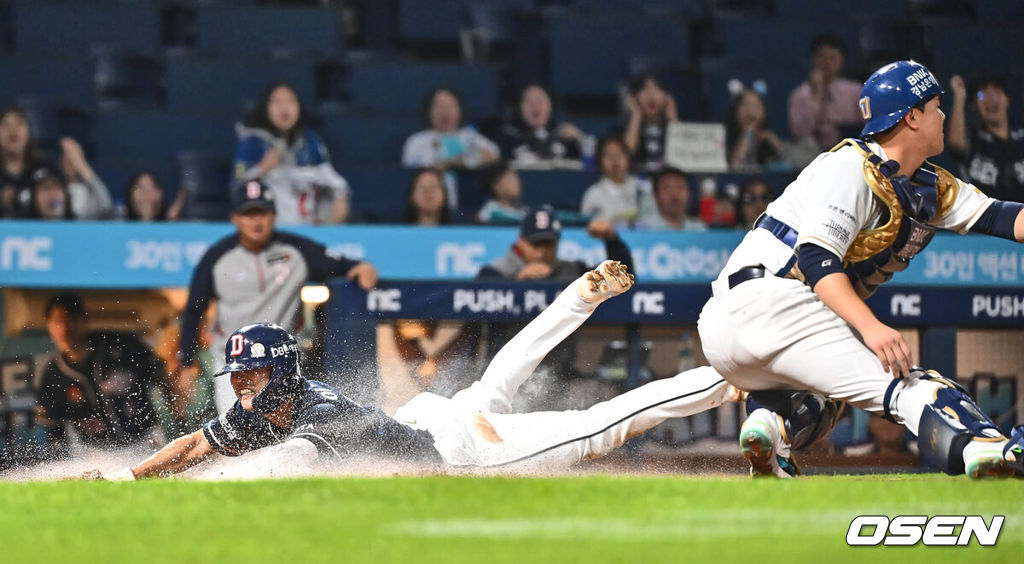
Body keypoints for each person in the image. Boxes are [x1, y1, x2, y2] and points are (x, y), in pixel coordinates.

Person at [97, 262, 743, 480]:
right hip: (430, 423)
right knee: (501, 380)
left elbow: (276, 466)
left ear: (279, 377)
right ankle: (578, 296)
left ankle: (732, 371)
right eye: (240, 380)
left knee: (601, 425)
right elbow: (194, 443)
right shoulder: (285, 397)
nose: (242, 388)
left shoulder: (312, 416)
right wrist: (134, 476)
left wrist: (191, 487)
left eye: (250, 378)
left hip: (458, 451)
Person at [698, 61, 1024, 479]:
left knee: (826, 398)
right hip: (773, 302)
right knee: (907, 386)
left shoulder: (927, 185)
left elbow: (1001, 217)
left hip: (747, 332)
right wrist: (871, 327)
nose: (944, 116)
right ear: (911, 116)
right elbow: (817, 259)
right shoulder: (851, 166)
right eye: (937, 107)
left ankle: (770, 425)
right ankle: (984, 448)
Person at [179, 179, 378, 413]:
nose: (256, 220)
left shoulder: (295, 250)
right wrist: (186, 362)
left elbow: (341, 263)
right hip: (234, 362)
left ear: (273, 215)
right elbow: (194, 310)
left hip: (283, 362)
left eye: (262, 212)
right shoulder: (217, 256)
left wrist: (360, 266)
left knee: (286, 436)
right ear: (235, 218)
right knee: (241, 433)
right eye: (248, 213)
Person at [35, 294, 185, 459]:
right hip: (97, 453)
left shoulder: (120, 344)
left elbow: (162, 376)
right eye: (57, 322)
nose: (64, 329)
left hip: (146, 440)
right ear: (48, 326)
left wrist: (180, 420)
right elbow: (53, 427)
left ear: (83, 320)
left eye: (70, 320)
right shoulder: (53, 375)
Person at [234, 81, 350, 225]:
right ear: (265, 107)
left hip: (308, 227)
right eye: (277, 102)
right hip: (269, 228)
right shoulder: (252, 143)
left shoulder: (310, 142)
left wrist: (340, 197)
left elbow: (330, 178)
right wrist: (261, 169)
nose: (285, 108)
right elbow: (237, 185)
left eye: (291, 101)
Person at [402, 87, 500, 210]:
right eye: (440, 106)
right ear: (429, 111)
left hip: (469, 202)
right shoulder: (416, 141)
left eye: (451, 106)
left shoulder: (470, 137)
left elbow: (493, 155)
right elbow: (412, 168)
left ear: (459, 110)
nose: (445, 111)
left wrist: (457, 162)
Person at [947, 74, 1024, 203]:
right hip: (986, 219)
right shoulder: (974, 139)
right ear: (974, 105)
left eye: (997, 92)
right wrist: (960, 96)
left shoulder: (1021, 137)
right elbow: (956, 144)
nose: (991, 99)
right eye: (982, 95)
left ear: (1007, 99)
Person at [787, 35, 863, 152]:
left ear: (842, 61)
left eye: (833, 58)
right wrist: (816, 96)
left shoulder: (855, 91)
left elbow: (865, 126)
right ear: (813, 59)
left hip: (850, 150)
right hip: (813, 155)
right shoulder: (800, 95)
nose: (827, 63)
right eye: (822, 57)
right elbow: (801, 133)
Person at [495, 84, 590, 168]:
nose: (535, 106)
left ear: (551, 106)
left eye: (540, 100)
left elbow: (592, 161)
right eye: (528, 101)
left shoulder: (567, 138)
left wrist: (580, 138)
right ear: (519, 108)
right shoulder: (507, 138)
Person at [580, 137, 655, 224]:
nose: (615, 159)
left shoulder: (644, 187)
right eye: (608, 155)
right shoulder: (593, 194)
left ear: (628, 159)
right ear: (600, 161)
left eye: (620, 154)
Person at [622, 73, 678, 171]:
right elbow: (627, 155)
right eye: (644, 89)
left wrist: (673, 118)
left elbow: (682, 156)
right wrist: (636, 116)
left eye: (656, 89)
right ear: (634, 98)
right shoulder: (623, 129)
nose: (651, 95)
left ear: (667, 97)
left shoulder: (674, 126)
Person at [0, 106, 48, 218]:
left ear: (28, 131)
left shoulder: (46, 168)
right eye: (6, 125)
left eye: (19, 124)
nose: (13, 130)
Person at [726, 88, 786, 171]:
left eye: (756, 105)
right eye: (745, 105)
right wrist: (746, 135)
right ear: (736, 111)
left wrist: (773, 141)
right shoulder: (726, 139)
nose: (751, 111)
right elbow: (735, 167)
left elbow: (791, 165)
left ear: (764, 112)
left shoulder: (770, 140)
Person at [635, 167, 706, 230]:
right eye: (667, 188)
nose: (675, 193)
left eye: (680, 187)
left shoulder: (699, 228)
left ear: (689, 194)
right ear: (655, 196)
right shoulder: (644, 228)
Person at [59, 137, 113, 220]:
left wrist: (82, 167)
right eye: (67, 157)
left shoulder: (91, 189)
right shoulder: (56, 188)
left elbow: (106, 207)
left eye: (74, 157)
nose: (71, 162)